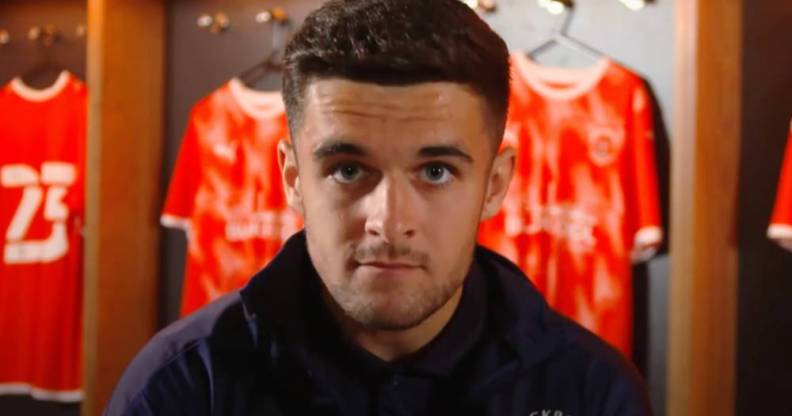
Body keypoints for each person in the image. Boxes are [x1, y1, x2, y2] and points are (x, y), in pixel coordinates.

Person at [104, 0, 653, 415]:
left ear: (494, 184)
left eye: (436, 172)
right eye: (348, 170)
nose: (389, 222)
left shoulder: (592, 392)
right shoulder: (181, 388)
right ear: (293, 178)